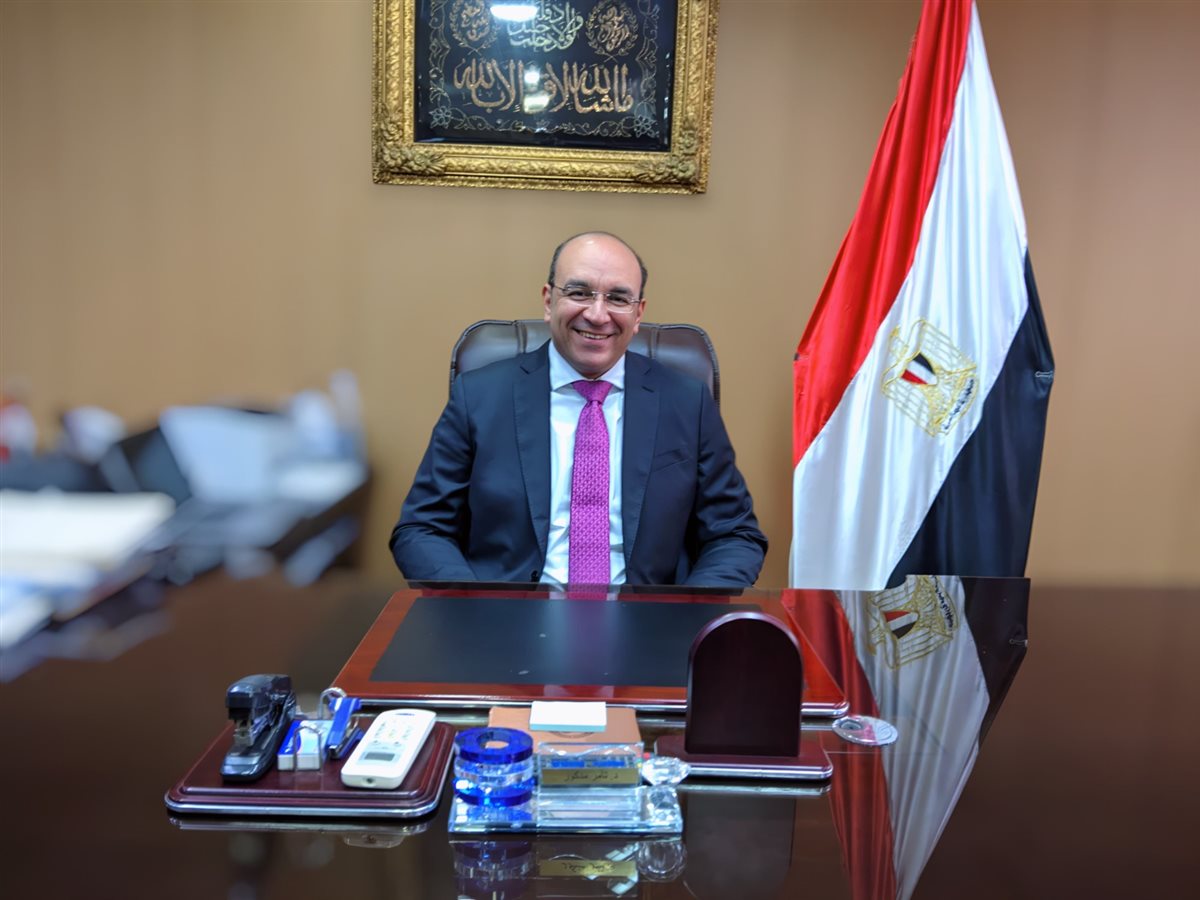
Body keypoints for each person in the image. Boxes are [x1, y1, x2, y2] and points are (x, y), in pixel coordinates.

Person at [390, 231, 767, 588]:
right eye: (579, 292)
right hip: (505, 617)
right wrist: (473, 607)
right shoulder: (479, 396)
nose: (598, 315)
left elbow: (735, 535)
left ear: (638, 314)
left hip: (647, 618)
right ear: (548, 300)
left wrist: (687, 614)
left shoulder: (686, 402)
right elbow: (422, 528)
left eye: (618, 298)